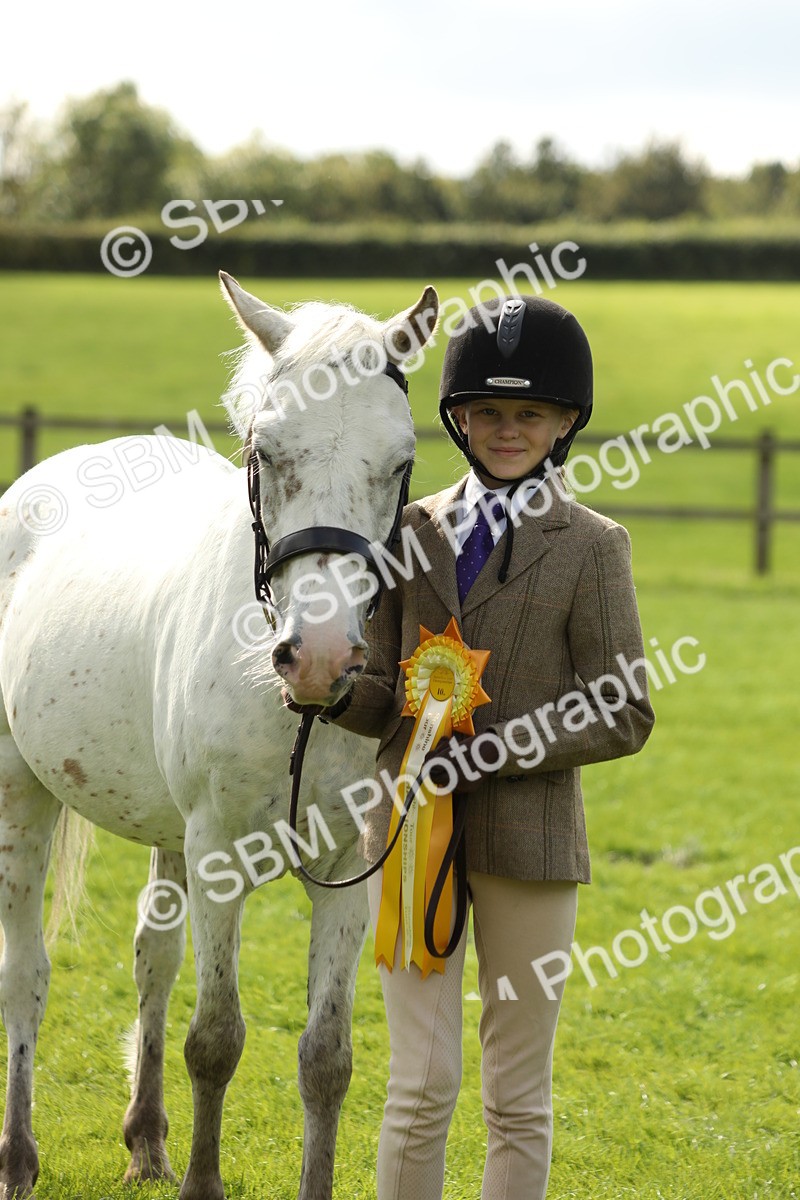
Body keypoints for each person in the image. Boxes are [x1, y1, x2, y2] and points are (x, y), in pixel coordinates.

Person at [327, 294, 656, 1199]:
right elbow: (388, 700)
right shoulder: (411, 531)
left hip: (531, 843)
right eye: (489, 412)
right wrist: (337, 694)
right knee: (417, 1088)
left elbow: (625, 711)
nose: (508, 430)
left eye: (530, 413)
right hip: (407, 835)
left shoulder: (594, 547)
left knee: (515, 1096)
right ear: (458, 418)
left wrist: (495, 747)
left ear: (563, 424)